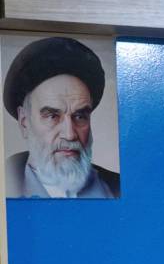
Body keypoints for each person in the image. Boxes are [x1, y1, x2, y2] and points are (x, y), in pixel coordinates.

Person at [4, 36, 120, 199]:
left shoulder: (118, 189)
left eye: (80, 116)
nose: (70, 134)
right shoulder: (6, 186)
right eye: (53, 116)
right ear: (24, 122)